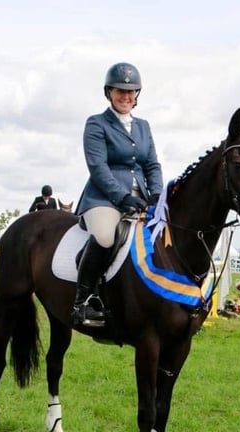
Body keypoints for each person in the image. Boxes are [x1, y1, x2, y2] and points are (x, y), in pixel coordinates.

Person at [72, 62, 164, 327]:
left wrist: (156, 195)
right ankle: (84, 302)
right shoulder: (96, 123)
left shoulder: (144, 126)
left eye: (131, 91)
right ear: (108, 93)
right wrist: (122, 197)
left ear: (137, 95)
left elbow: (152, 165)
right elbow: (98, 168)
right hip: (104, 199)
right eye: (120, 90)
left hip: (141, 199)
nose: (126, 96)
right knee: (104, 236)